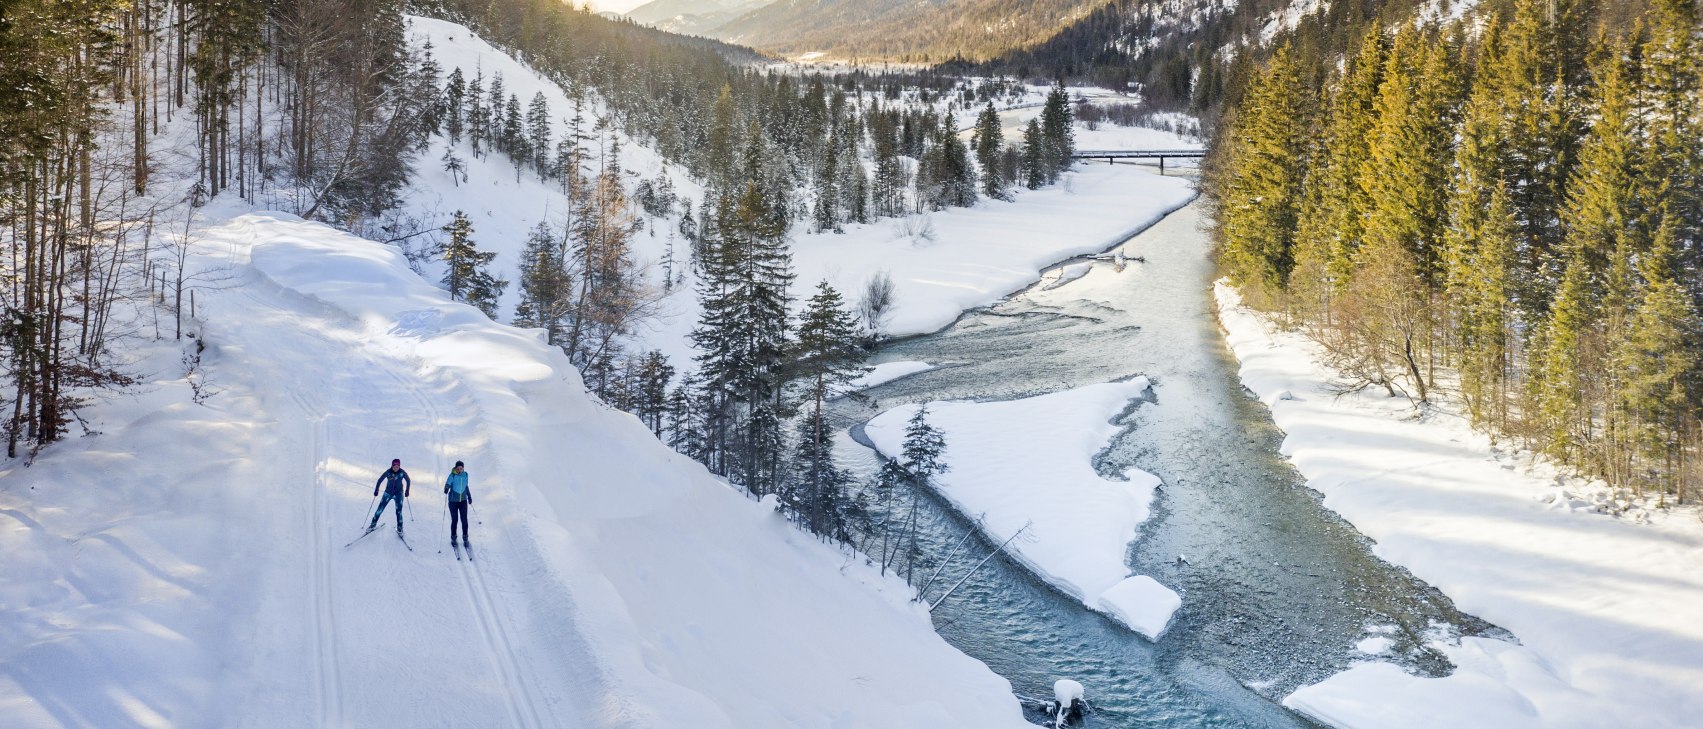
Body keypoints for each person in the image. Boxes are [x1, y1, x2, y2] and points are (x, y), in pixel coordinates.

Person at [370, 458, 411, 535]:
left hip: (399, 494)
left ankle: (400, 528)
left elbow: (408, 480)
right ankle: (373, 524)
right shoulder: (388, 472)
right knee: (380, 509)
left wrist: (407, 491)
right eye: (394, 466)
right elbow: (380, 480)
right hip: (388, 493)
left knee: (399, 511)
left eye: (397, 466)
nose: (396, 468)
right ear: (392, 466)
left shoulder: (402, 472)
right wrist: (376, 490)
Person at [444, 460, 473, 547]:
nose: (460, 470)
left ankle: (465, 537)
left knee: (464, 520)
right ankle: (453, 538)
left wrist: (469, 496)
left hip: (463, 501)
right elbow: (448, 483)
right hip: (453, 501)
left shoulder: (465, 475)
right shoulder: (452, 475)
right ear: (456, 468)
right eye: (458, 468)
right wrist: (446, 488)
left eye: (461, 468)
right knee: (455, 520)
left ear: (463, 468)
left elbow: (466, 486)